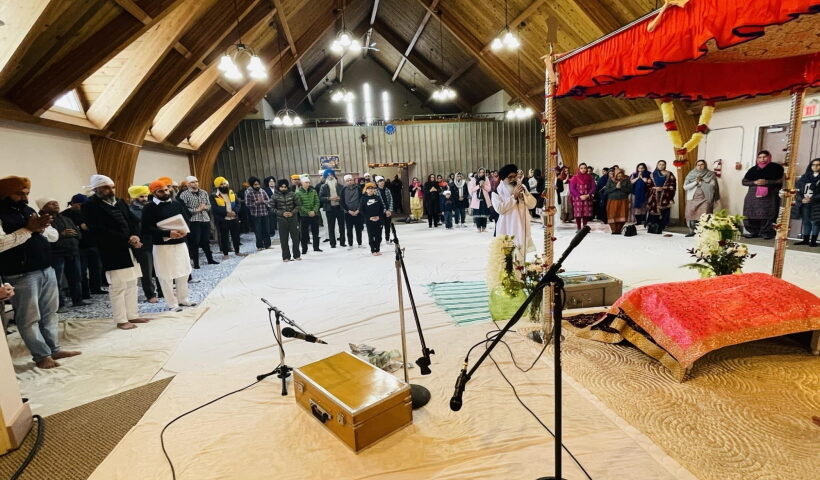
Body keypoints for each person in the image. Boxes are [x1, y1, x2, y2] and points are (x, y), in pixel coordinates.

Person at [1, 176, 80, 368]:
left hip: (46, 268)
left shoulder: (28, 210)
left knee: (50, 313)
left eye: (27, 193)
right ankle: (41, 356)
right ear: (4, 194)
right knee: (29, 318)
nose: (25, 198)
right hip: (20, 273)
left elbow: (52, 236)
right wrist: (28, 229)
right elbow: (1, 244)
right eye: (19, 194)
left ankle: (54, 349)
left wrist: (41, 228)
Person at [82, 175, 150, 330]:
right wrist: (127, 238)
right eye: (106, 187)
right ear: (96, 189)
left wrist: (135, 235)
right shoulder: (90, 205)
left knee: (132, 283)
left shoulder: (119, 202)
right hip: (112, 250)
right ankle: (121, 319)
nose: (110, 190)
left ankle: (133, 315)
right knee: (118, 286)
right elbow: (98, 229)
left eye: (112, 187)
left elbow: (132, 221)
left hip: (130, 249)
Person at [142, 181, 196, 312]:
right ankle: (172, 303)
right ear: (153, 193)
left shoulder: (176, 204)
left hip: (180, 242)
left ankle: (183, 299)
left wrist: (184, 230)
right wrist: (167, 233)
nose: (165, 193)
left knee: (183, 272)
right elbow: (146, 228)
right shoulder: (149, 208)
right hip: (162, 246)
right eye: (161, 191)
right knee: (166, 275)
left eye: (166, 190)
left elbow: (186, 219)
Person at [37, 198, 89, 310]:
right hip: (56, 254)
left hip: (73, 252)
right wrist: (62, 234)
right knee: (57, 281)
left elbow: (78, 233)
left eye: (56, 202)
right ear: (43, 207)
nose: (56, 203)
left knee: (76, 278)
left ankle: (77, 300)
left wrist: (74, 234)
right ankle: (59, 305)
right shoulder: (41, 221)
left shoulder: (66, 218)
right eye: (51, 203)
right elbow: (46, 237)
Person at [62, 193, 106, 297]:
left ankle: (96, 288)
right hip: (79, 247)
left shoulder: (89, 213)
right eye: (80, 205)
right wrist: (80, 227)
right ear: (73, 204)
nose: (82, 207)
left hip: (93, 244)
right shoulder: (65, 215)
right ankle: (84, 292)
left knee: (96, 268)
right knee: (81, 271)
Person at [493, 164, 537, 256]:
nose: (513, 179)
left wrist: (524, 195)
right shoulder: (497, 191)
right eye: (510, 177)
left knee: (521, 254)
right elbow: (499, 209)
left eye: (515, 176)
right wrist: (514, 197)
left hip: (522, 224)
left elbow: (533, 204)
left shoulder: (522, 187)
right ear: (503, 179)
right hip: (507, 226)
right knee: (507, 256)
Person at [742, 150, 784, 239]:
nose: (762, 159)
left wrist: (767, 182)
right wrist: (755, 182)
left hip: (768, 195)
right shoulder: (753, 169)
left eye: (764, 157)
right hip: (752, 196)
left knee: (767, 214)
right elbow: (744, 182)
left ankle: (766, 233)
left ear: (769, 157)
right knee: (751, 213)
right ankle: (753, 232)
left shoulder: (776, 168)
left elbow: (780, 181)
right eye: (760, 157)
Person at [127, 185, 158, 303]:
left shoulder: (151, 207)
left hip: (154, 241)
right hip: (142, 243)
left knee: (159, 268)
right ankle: (150, 294)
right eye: (141, 196)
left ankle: (162, 291)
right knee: (147, 271)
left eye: (146, 196)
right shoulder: (130, 210)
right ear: (134, 197)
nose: (145, 199)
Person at [179, 176, 217, 268]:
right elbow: (184, 209)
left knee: (206, 241)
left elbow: (209, 205)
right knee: (195, 242)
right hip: (194, 221)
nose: (195, 183)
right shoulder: (184, 195)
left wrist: (205, 208)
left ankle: (210, 259)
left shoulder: (203, 192)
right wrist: (197, 209)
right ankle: (196, 263)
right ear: (188, 184)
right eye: (192, 182)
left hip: (205, 219)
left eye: (196, 181)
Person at [683, 160, 720, 236]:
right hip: (692, 197)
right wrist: (696, 182)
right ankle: (692, 231)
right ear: (695, 166)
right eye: (698, 165)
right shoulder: (691, 174)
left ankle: (703, 232)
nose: (700, 166)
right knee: (690, 214)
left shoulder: (710, 174)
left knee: (704, 214)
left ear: (705, 165)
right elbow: (685, 187)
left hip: (705, 197)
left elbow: (714, 186)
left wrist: (702, 182)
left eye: (702, 164)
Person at [210, 177, 243, 259]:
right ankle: (225, 254)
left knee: (236, 236)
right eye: (221, 184)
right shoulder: (214, 195)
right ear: (218, 186)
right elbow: (215, 208)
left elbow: (238, 203)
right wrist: (226, 213)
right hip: (223, 219)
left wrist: (235, 212)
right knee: (224, 237)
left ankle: (237, 252)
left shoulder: (232, 193)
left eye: (225, 183)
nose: (224, 185)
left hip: (234, 218)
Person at [272, 179, 301, 262]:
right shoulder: (274, 196)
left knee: (295, 238)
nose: (283, 188)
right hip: (281, 220)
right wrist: (282, 213)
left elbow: (298, 205)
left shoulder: (293, 194)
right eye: (281, 187)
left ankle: (296, 255)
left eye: (285, 187)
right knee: (284, 240)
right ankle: (286, 256)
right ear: (278, 187)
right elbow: (271, 208)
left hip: (293, 219)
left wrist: (292, 212)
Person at [794, 158, 820, 246]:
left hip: (817, 204)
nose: (815, 167)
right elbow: (798, 190)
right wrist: (801, 199)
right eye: (813, 165)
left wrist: (812, 199)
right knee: (806, 221)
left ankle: (813, 241)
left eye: (818, 165)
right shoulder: (804, 177)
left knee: (815, 222)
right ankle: (805, 240)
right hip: (805, 203)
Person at [646, 160, 677, 232]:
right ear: (657, 165)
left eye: (663, 164)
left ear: (665, 165)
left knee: (664, 210)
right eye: (659, 164)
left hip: (665, 195)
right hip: (654, 195)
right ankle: (653, 225)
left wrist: (663, 188)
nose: (661, 166)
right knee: (653, 209)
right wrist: (655, 188)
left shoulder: (669, 174)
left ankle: (663, 225)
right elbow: (648, 185)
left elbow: (673, 184)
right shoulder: (652, 174)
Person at [295, 175, 322, 254]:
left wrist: (314, 211)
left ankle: (316, 247)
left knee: (315, 232)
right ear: (302, 183)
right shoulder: (298, 193)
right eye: (306, 182)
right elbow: (299, 205)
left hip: (314, 215)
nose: (308, 184)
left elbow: (317, 202)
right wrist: (308, 212)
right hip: (304, 216)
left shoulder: (313, 191)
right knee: (304, 234)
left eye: (309, 182)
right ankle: (304, 249)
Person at [319, 169, 345, 248]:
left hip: (339, 208)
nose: (330, 176)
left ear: (334, 175)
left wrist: (339, 198)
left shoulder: (340, 186)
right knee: (331, 227)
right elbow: (320, 198)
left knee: (342, 226)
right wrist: (329, 198)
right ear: (326, 176)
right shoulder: (323, 186)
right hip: (330, 209)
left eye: (331, 175)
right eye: (328, 175)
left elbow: (344, 197)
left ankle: (342, 242)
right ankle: (333, 243)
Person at [245, 176, 271, 250]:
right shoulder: (248, 192)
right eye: (255, 185)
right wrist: (257, 202)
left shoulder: (262, 190)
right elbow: (247, 204)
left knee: (266, 230)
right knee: (258, 231)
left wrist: (264, 201)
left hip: (264, 213)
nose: (257, 186)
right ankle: (260, 246)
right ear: (251, 185)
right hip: (255, 215)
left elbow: (268, 200)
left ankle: (268, 245)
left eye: (258, 184)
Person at [569, 163, 596, 232]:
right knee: (578, 213)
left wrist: (587, 195)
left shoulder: (590, 177)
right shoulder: (575, 177)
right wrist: (580, 195)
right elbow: (572, 188)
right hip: (577, 197)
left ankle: (584, 228)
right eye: (581, 168)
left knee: (586, 213)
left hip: (587, 197)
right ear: (579, 169)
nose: (583, 169)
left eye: (584, 168)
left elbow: (593, 187)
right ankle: (578, 228)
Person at [604, 170, 632, 234]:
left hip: (623, 200)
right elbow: (606, 190)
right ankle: (613, 230)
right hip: (612, 200)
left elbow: (630, 190)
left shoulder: (626, 179)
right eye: (618, 175)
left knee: (622, 215)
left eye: (621, 175)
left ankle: (619, 230)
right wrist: (615, 187)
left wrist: (621, 187)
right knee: (612, 215)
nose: (619, 177)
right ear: (615, 174)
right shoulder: (610, 180)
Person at [360, 182, 385, 256]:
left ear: (374, 190)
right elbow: (361, 210)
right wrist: (368, 218)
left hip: (378, 220)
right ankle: (373, 250)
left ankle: (377, 249)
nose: (370, 190)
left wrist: (379, 217)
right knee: (371, 236)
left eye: (372, 188)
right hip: (369, 220)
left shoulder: (377, 197)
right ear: (366, 190)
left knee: (378, 236)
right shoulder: (363, 199)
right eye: (369, 189)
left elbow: (381, 208)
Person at [341, 174, 364, 249]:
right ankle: (350, 244)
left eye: (350, 180)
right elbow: (342, 202)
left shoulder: (358, 188)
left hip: (358, 212)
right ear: (345, 182)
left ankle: (360, 243)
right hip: (348, 213)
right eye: (347, 181)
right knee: (349, 230)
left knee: (358, 229)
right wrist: (348, 211)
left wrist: (358, 210)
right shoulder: (343, 190)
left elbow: (361, 200)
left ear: (353, 180)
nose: (349, 182)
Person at [375, 176, 394, 243]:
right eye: (380, 181)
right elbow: (379, 202)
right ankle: (379, 240)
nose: (382, 182)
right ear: (377, 183)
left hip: (388, 211)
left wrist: (390, 210)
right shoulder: (375, 191)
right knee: (380, 227)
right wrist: (385, 210)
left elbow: (391, 200)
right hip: (380, 212)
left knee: (387, 226)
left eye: (382, 181)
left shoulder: (387, 190)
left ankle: (387, 239)